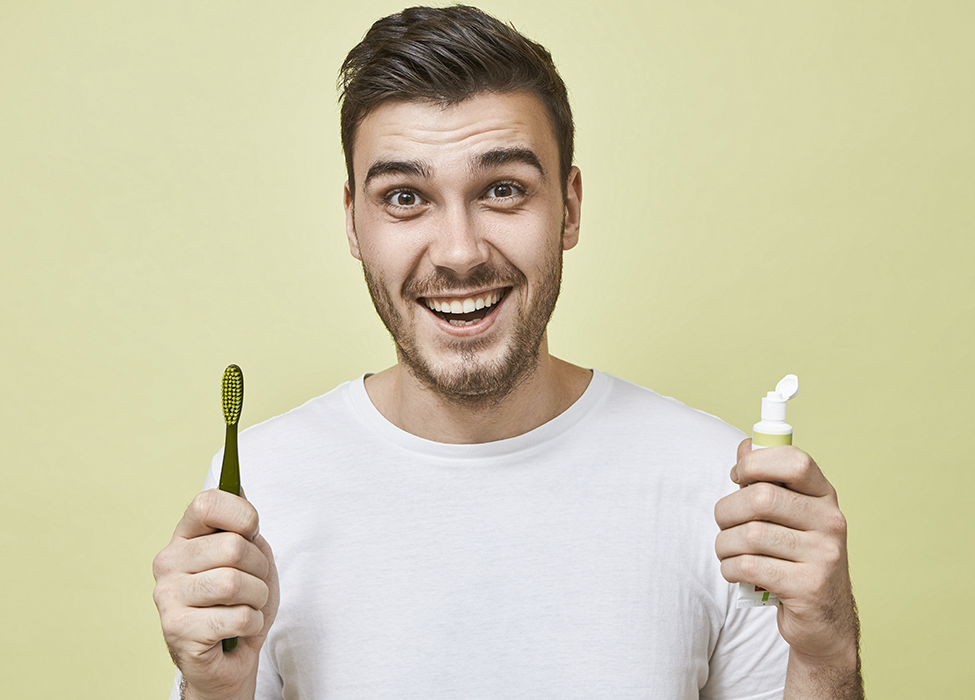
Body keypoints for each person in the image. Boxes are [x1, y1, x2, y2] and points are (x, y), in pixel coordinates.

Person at [152, 6, 863, 699]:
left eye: (502, 190)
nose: (459, 252)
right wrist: (215, 691)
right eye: (405, 197)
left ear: (570, 207)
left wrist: (829, 655)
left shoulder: (720, 490)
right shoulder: (259, 485)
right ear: (353, 222)